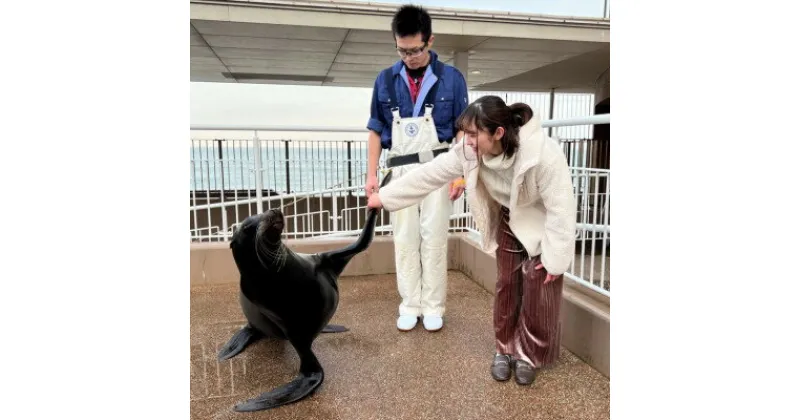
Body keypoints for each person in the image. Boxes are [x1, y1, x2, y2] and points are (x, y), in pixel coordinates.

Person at [367, 95, 577, 386]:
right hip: (508, 216)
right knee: (507, 284)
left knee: (537, 286)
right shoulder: (468, 151)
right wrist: (385, 197)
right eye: (465, 132)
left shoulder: (543, 153)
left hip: (541, 220)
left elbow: (562, 208)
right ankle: (504, 350)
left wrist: (556, 259)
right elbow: (429, 175)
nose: (466, 140)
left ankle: (528, 355)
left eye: (473, 134)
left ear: (498, 133)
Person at [365, 4, 469, 332]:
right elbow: (374, 130)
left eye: (416, 49)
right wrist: (371, 176)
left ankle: (434, 305)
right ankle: (409, 304)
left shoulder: (452, 79)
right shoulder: (385, 79)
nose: (409, 56)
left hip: (438, 167)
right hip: (399, 170)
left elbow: (463, 130)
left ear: (430, 41)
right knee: (405, 237)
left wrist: (462, 172)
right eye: (402, 50)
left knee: (435, 237)